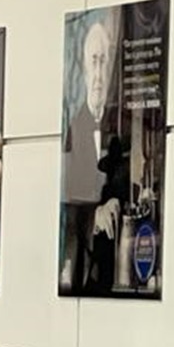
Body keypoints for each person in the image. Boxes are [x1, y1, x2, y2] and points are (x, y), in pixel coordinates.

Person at [60, 15, 130, 296]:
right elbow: (67, 203)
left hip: (114, 269)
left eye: (104, 61)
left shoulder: (120, 130)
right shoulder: (74, 129)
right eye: (94, 61)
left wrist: (115, 200)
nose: (99, 74)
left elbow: (123, 182)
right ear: (85, 69)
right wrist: (95, 214)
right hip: (84, 271)